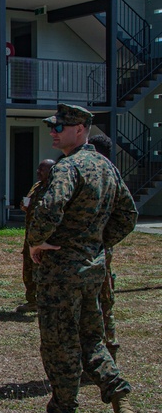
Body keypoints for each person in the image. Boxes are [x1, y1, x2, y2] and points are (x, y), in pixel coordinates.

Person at [20, 103, 143, 413]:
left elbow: (47, 209)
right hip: (91, 269)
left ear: (81, 129)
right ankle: (122, 402)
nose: (54, 131)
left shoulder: (67, 168)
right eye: (53, 126)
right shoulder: (105, 167)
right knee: (91, 339)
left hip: (61, 272)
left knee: (59, 346)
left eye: (62, 126)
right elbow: (128, 215)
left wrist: (37, 242)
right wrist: (97, 244)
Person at [88, 133, 120, 362]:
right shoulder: (113, 175)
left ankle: (103, 353)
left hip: (92, 248)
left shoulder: (96, 174)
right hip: (102, 245)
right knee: (104, 297)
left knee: (96, 300)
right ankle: (109, 346)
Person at [16, 159, 56, 313]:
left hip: (45, 238)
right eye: (38, 168)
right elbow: (27, 202)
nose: (38, 171)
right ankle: (32, 301)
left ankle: (47, 301)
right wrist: (24, 205)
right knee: (28, 270)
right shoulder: (37, 186)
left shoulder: (54, 189)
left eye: (42, 169)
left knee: (43, 270)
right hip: (30, 236)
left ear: (51, 171)